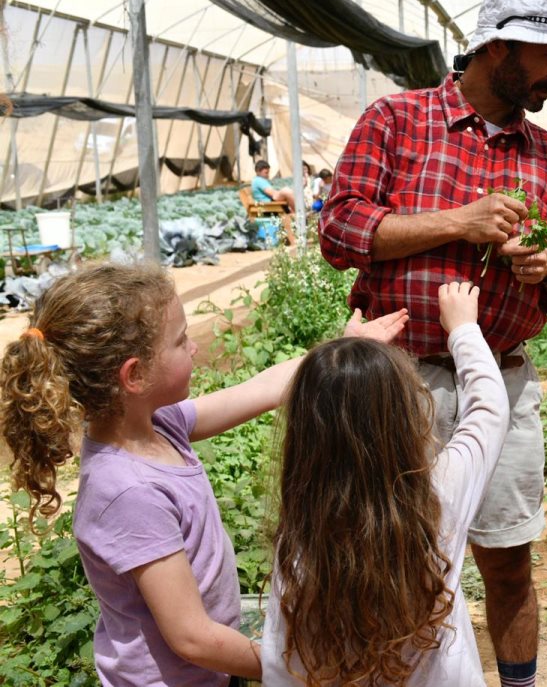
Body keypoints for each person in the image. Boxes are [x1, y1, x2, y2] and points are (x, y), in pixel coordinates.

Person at [319, 0, 547, 687]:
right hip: (397, 383)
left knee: (508, 562)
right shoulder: (396, 121)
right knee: (387, 553)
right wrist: (461, 221)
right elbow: (340, 228)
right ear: (500, 48)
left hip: (500, 381)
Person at [0, 263, 405, 687]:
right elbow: (191, 637)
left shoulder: (160, 426)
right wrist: (297, 665)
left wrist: (342, 349)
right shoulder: (128, 492)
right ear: (134, 375)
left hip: (211, 672)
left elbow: (261, 390)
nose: (194, 349)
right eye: (180, 341)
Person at [262, 281, 508, 686]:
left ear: (303, 438)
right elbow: (489, 410)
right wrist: (463, 329)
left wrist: (340, 359)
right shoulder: (437, 495)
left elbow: (278, 662)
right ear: (405, 420)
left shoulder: (301, 540)